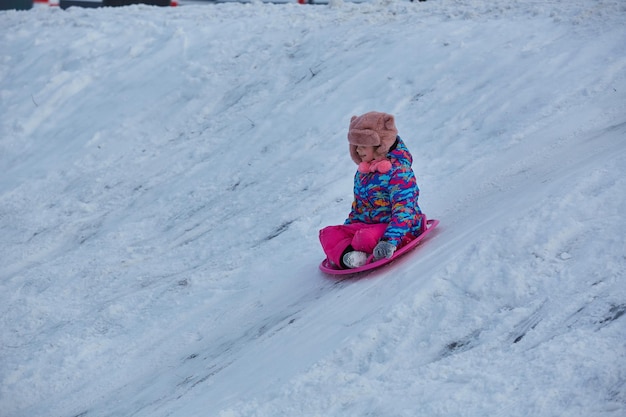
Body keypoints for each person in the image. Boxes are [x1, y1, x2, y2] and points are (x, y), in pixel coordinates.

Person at [319, 111, 423, 269]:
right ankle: (350, 257)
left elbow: (405, 209)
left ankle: (362, 251)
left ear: (380, 146)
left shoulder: (398, 171)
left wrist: (390, 240)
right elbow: (359, 208)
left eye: (362, 146)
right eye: (355, 146)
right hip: (366, 227)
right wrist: (345, 232)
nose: (358, 151)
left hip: (399, 231)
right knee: (328, 233)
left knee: (364, 238)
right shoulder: (363, 173)